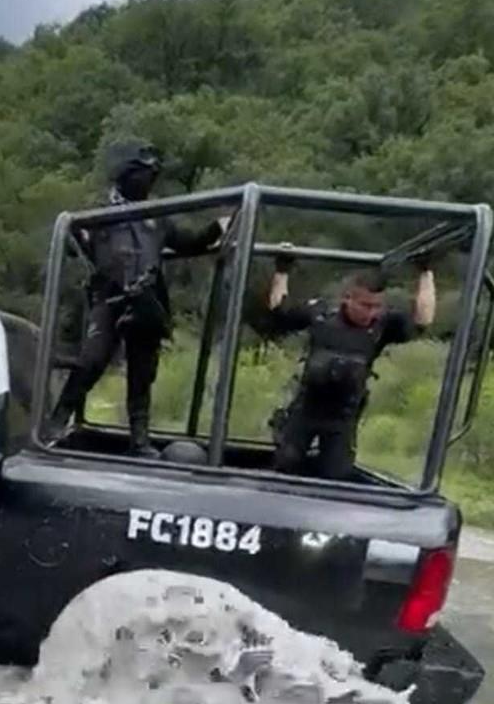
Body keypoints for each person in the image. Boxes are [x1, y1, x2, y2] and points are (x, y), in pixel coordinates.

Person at [46, 140, 229, 456]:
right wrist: (74, 235)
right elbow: (78, 242)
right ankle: (55, 422)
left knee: (142, 375)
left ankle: (139, 440)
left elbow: (189, 242)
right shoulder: (99, 214)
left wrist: (217, 227)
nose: (149, 180)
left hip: (147, 301)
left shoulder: (157, 218)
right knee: (91, 361)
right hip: (110, 298)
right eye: (143, 173)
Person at [265, 253, 435, 480]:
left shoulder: (382, 325)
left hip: (342, 418)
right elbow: (279, 312)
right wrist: (282, 272)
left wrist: (425, 273)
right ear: (348, 298)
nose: (371, 312)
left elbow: (423, 320)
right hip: (306, 409)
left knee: (337, 473)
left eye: (377, 306)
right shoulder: (322, 314)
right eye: (365, 305)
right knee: (286, 463)